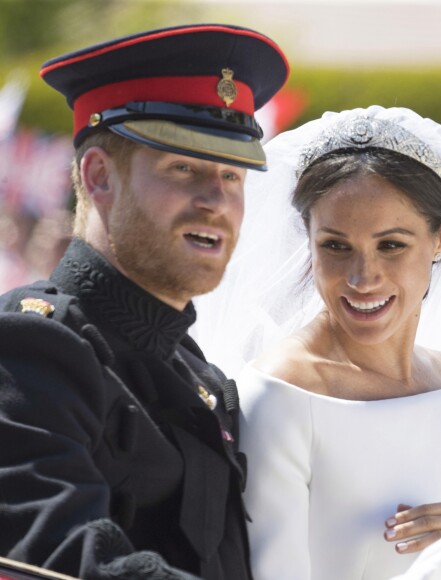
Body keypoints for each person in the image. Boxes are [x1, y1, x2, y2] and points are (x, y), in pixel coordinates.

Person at [0, 24, 288, 580]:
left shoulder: (201, 376)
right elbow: (64, 561)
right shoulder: (29, 348)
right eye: (184, 168)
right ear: (99, 176)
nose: (216, 201)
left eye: (233, 175)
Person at [193, 106, 441, 579]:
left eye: (391, 245)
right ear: (307, 241)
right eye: (336, 246)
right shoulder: (278, 397)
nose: (362, 277)